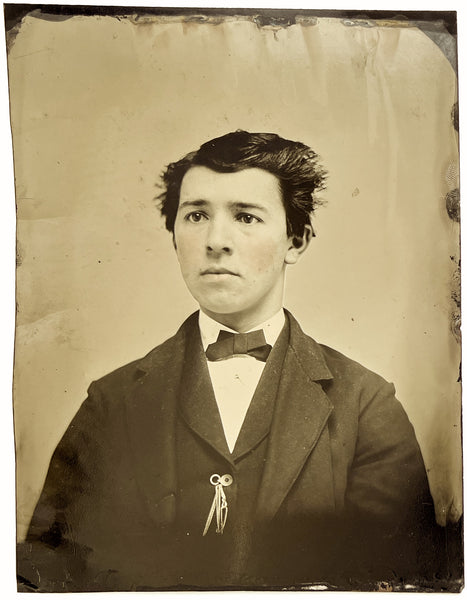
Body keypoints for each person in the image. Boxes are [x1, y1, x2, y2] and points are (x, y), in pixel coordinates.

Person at [17, 131, 438, 592]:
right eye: (196, 215)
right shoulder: (110, 403)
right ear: (174, 237)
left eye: (246, 216)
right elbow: (44, 574)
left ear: (296, 241)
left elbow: (400, 581)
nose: (216, 240)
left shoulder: (365, 405)